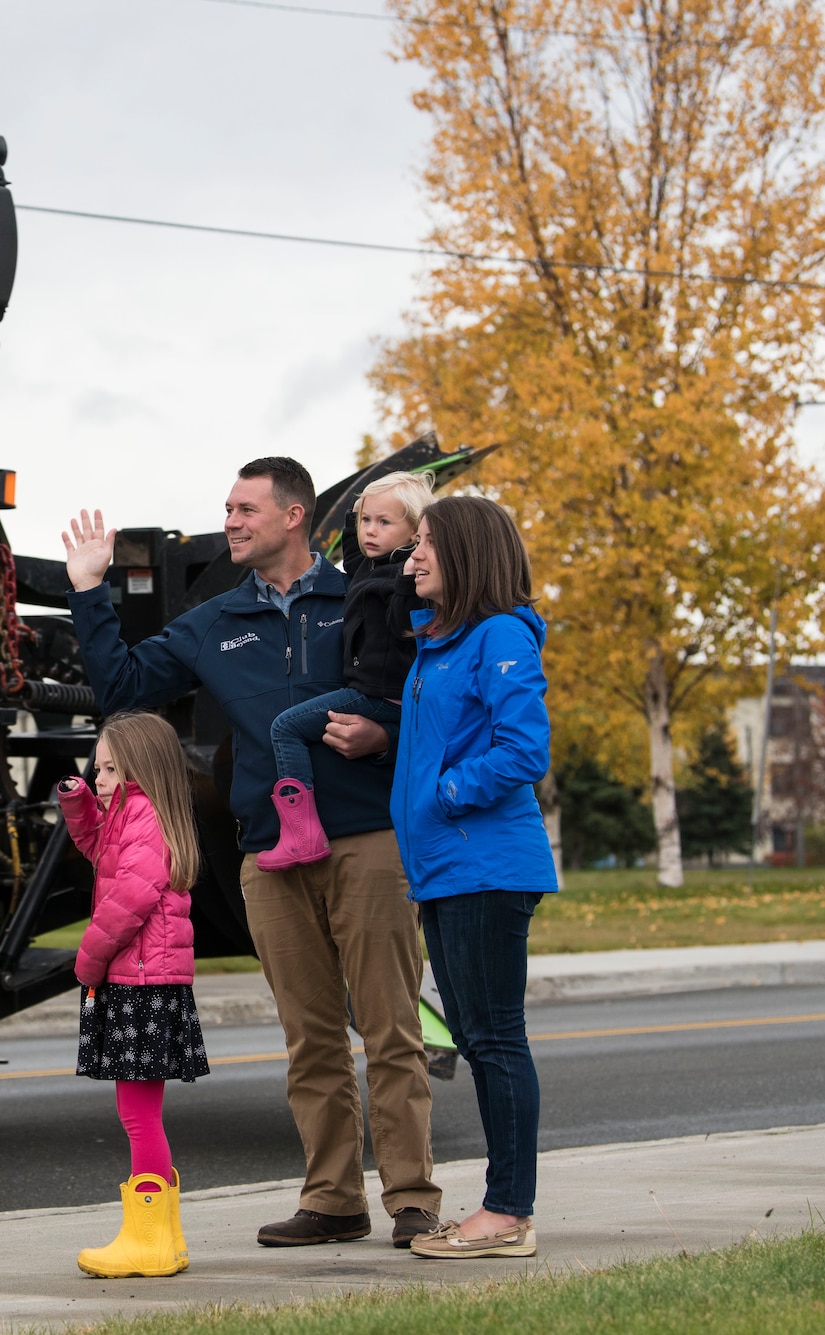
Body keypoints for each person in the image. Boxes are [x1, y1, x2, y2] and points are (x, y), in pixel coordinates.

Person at [63, 457, 443, 1250]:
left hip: (369, 840)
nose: (230, 520)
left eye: (244, 509)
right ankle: (334, 1198)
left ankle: (412, 1198)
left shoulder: (367, 593)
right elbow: (125, 689)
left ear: (295, 516)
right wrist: (90, 589)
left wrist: (385, 732)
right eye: (228, 508)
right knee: (310, 1038)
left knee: (390, 1030)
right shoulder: (215, 622)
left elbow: (433, 695)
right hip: (269, 853)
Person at [393, 495, 558, 1260]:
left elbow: (525, 750)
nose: (411, 556)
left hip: (486, 866)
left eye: (425, 543)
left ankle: (507, 1211)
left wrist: (448, 793)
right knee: (477, 1036)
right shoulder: (440, 644)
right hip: (446, 869)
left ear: (465, 552)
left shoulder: (499, 635)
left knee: (494, 1038)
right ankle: (504, 1206)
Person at [57, 710, 206, 1279]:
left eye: (110, 770)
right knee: (141, 1113)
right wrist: (79, 803)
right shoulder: (134, 813)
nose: (98, 778)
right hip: (150, 981)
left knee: (137, 1116)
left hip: (141, 981)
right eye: (97, 768)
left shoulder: (143, 817)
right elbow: (100, 849)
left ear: (141, 770)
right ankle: (164, 1236)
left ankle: (148, 1241)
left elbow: (129, 901)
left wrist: (89, 960)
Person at [262, 471, 434, 868]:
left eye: (384, 522)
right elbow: (356, 557)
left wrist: (408, 583)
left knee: (285, 728)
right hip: (374, 691)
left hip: (378, 694)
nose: (370, 531)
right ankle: (301, 832)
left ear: (413, 534)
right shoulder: (372, 567)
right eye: (366, 521)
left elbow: (409, 622)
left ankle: (301, 835)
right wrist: (351, 516)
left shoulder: (404, 576)